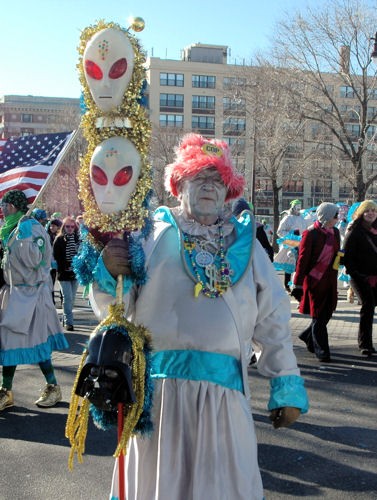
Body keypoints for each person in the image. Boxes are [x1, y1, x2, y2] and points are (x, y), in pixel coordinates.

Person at [89, 134, 309, 500]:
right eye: (198, 177)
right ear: (179, 186)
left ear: (229, 191)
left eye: (217, 179)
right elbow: (115, 312)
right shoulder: (149, 235)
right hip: (159, 400)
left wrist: (285, 385)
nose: (209, 185)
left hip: (225, 400)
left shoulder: (248, 245)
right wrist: (108, 272)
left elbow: (272, 322)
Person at [0, 190, 68, 411]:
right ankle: (6, 390)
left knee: (37, 344)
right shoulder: (9, 229)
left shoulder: (33, 229)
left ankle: (53, 387)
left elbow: (36, 260)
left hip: (33, 297)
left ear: (15, 206)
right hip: (13, 295)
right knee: (10, 343)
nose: (3, 208)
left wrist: (25, 238)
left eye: (6, 205)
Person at [291, 202, 341, 362]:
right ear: (327, 216)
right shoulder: (310, 233)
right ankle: (322, 351)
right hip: (314, 280)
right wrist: (297, 284)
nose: (337, 218)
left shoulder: (336, 232)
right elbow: (302, 260)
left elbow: (336, 253)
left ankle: (307, 335)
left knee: (327, 312)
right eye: (335, 216)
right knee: (318, 316)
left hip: (330, 279)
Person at [343, 200, 377, 356]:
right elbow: (348, 258)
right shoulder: (354, 231)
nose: (371, 213)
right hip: (359, 277)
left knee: (370, 307)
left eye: (374, 210)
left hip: (375, 276)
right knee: (368, 306)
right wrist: (358, 275)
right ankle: (365, 344)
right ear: (361, 213)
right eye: (367, 211)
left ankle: (311, 334)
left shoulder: (375, 229)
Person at [53, 216, 80, 331]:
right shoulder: (59, 239)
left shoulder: (79, 239)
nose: (70, 228)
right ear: (64, 227)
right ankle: (69, 322)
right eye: (67, 226)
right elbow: (56, 256)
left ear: (75, 227)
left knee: (72, 299)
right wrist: (64, 266)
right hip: (64, 273)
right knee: (67, 298)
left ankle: (65, 319)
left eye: (72, 226)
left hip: (75, 272)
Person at [276, 199, 308, 292]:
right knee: (289, 264)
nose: (298, 209)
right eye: (296, 207)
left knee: (299, 265)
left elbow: (305, 230)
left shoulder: (302, 218)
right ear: (292, 207)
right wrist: (292, 233)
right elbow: (280, 231)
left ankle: (296, 285)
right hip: (290, 244)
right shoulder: (287, 218)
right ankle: (287, 284)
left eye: (299, 207)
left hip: (300, 244)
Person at [46, 218, 63, 304]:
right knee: (51, 282)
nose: (51, 227)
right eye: (51, 226)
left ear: (58, 227)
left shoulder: (61, 237)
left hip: (60, 262)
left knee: (61, 282)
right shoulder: (47, 235)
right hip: (50, 263)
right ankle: (51, 300)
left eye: (54, 226)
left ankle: (62, 298)